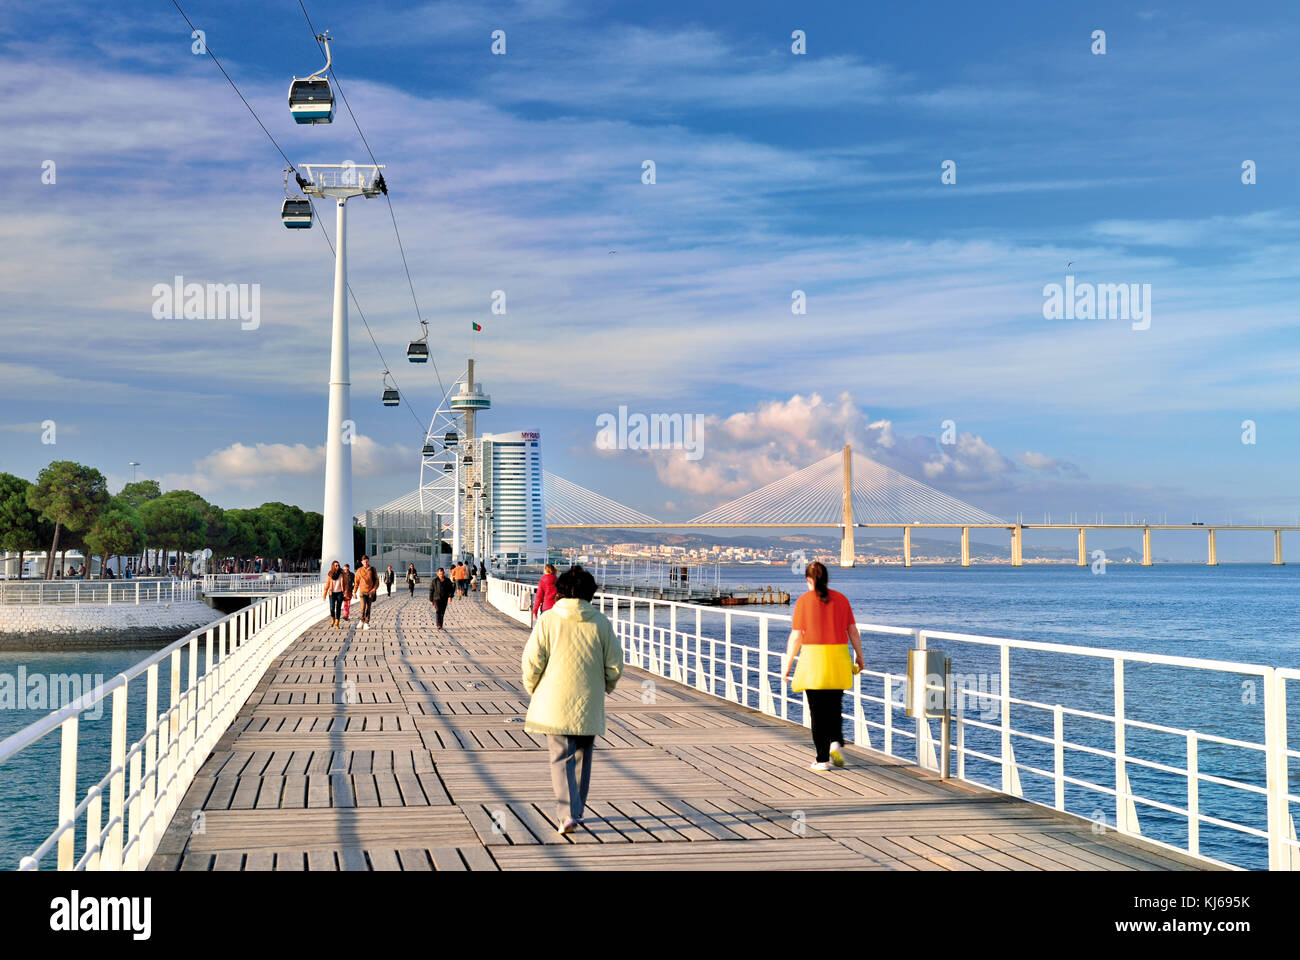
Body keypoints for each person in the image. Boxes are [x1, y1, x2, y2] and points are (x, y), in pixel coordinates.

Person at [521, 565, 622, 835]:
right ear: (590, 593)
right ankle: (575, 812)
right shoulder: (601, 623)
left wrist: (532, 687)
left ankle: (567, 815)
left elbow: (532, 661)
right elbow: (614, 665)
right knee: (582, 758)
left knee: (560, 757)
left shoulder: (548, 620)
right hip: (588, 701)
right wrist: (606, 686)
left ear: (561, 590)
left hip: (554, 702)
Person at [781, 561, 865, 771]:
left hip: (814, 660)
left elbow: (796, 637)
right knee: (834, 707)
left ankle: (822, 760)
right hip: (838, 658)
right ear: (826, 578)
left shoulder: (803, 601)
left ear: (808, 580)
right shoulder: (842, 599)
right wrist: (860, 657)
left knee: (817, 713)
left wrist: (787, 665)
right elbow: (852, 631)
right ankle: (836, 741)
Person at [355, 556, 378, 630]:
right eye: (364, 561)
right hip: (362, 591)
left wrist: (374, 589)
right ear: (362, 562)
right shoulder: (359, 570)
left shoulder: (373, 569)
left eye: (367, 561)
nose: (365, 563)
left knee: (368, 608)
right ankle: (362, 620)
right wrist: (354, 592)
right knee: (363, 607)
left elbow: (377, 580)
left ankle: (366, 623)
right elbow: (356, 582)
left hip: (370, 592)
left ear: (368, 561)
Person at [323, 561, 346, 629]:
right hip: (332, 593)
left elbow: (345, 583)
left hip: (340, 593)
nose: (337, 566)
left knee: (338, 608)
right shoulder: (330, 574)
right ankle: (333, 619)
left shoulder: (341, 574)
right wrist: (324, 594)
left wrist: (346, 592)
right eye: (336, 565)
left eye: (338, 565)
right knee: (332, 608)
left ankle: (337, 623)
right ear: (333, 566)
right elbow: (327, 584)